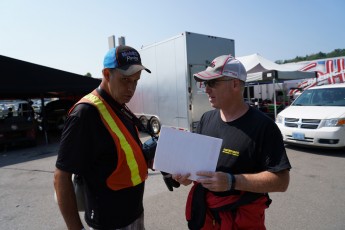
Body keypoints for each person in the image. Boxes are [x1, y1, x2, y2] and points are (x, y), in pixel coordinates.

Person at [172, 55, 291, 229]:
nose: (206, 89)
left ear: (235, 84)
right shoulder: (206, 119)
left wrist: (231, 181)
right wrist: (186, 177)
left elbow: (281, 181)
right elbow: (196, 166)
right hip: (207, 216)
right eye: (205, 84)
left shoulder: (264, 127)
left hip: (241, 220)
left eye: (212, 83)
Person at [54, 45, 151, 230]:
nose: (131, 89)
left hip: (134, 215)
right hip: (108, 224)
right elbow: (61, 177)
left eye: (136, 81)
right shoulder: (85, 113)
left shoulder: (119, 105)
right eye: (125, 80)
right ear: (107, 74)